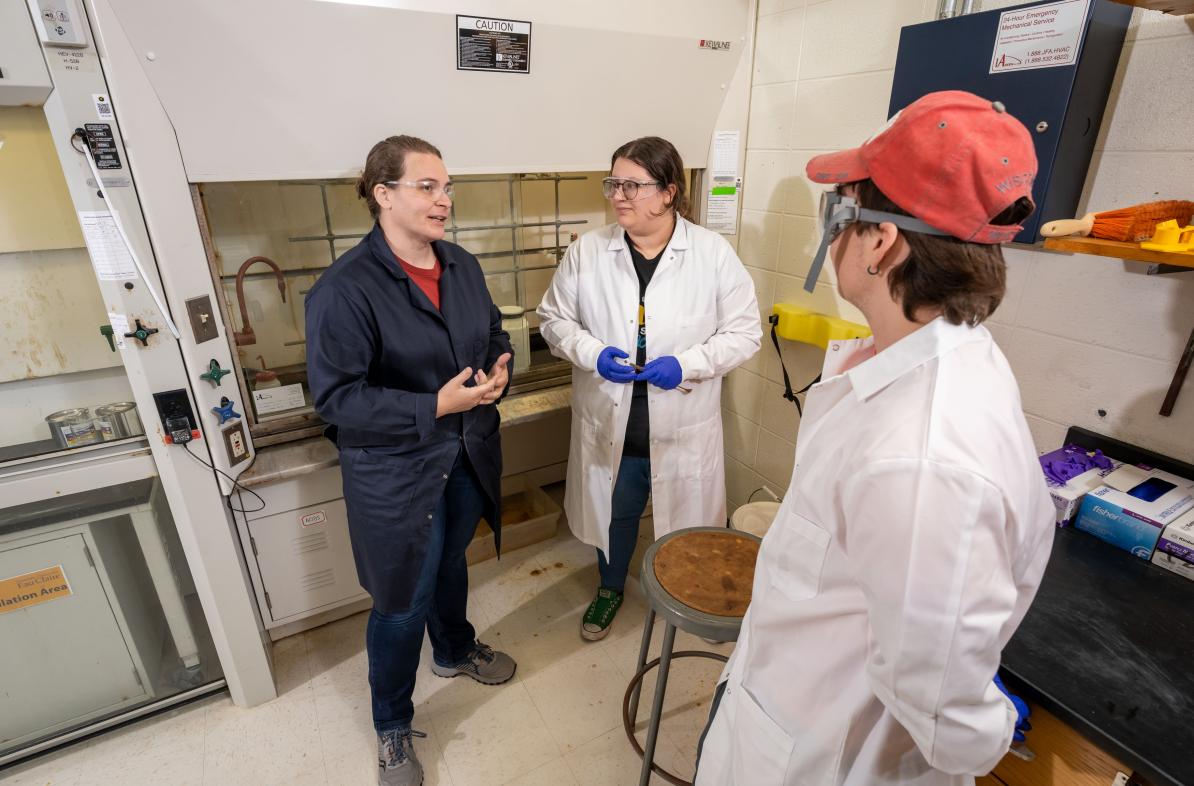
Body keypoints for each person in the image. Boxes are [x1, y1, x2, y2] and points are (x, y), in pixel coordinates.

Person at [695, 91, 1055, 785]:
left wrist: (987, 722)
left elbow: (950, 725)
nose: (830, 238)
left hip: (822, 753)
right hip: (782, 695)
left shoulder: (920, 458)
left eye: (839, 213)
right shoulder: (925, 360)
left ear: (880, 239)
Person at [305, 135, 516, 786]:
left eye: (447, 186)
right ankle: (392, 725)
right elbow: (337, 399)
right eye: (427, 186)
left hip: (465, 454)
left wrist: (501, 364)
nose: (443, 200)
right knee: (400, 602)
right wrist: (436, 407)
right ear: (383, 195)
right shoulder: (343, 290)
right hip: (394, 473)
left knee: (451, 562)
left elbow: (493, 332)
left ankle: (452, 648)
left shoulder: (460, 266)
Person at [537, 136, 761, 640]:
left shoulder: (712, 254)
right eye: (613, 184)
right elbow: (553, 319)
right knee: (614, 514)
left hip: (681, 416)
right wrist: (593, 354)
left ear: (668, 193)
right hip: (612, 417)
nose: (619, 195)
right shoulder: (588, 252)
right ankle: (610, 589)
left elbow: (746, 333)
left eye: (633, 185)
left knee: (685, 521)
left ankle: (684, 594)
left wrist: (686, 365)